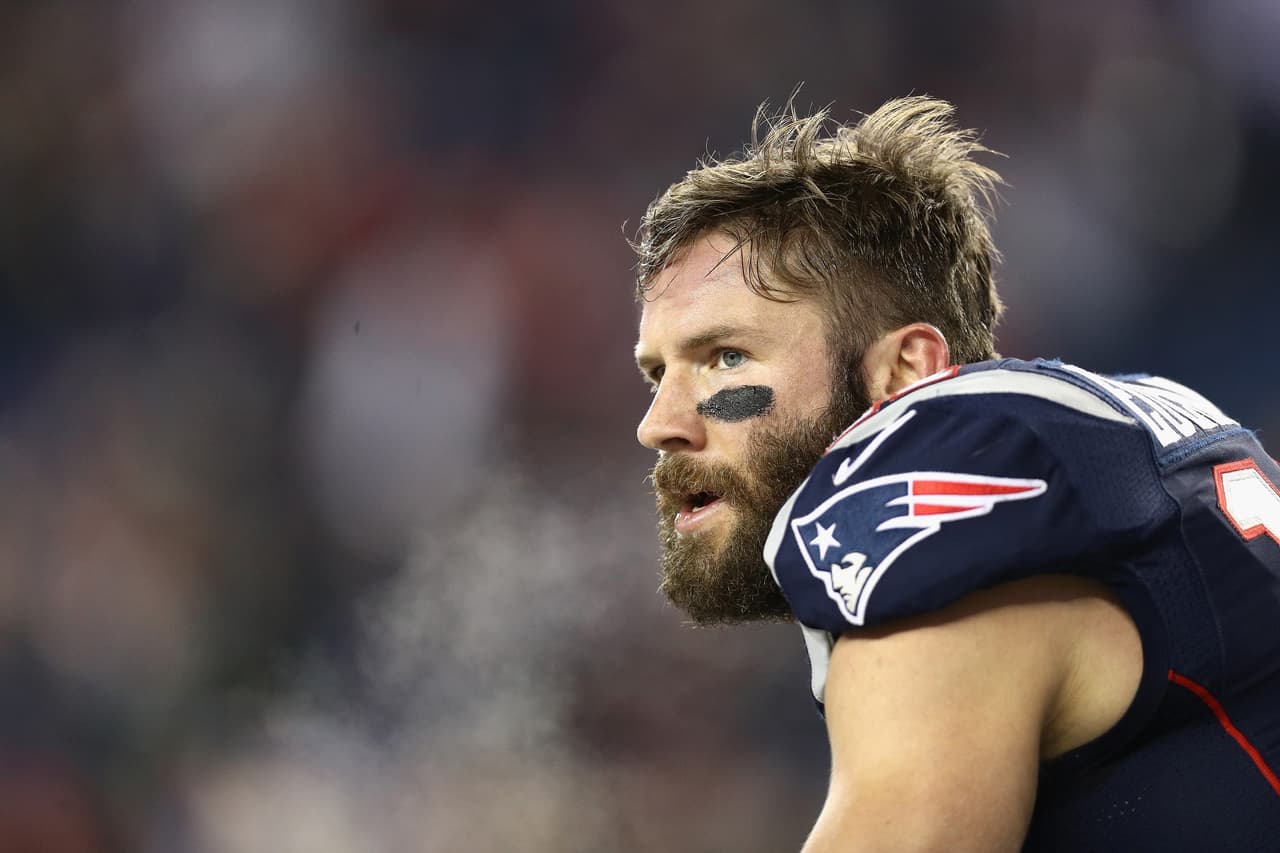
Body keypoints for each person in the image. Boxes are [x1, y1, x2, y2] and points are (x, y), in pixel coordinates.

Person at [630, 96, 1280, 851]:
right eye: (656, 374)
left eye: (726, 357)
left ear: (906, 372)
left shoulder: (944, 493)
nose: (659, 422)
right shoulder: (1126, 435)